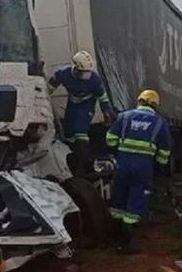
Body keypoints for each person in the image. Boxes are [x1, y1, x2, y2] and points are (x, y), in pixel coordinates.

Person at [105, 89, 172, 254]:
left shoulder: (123, 117)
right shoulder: (159, 123)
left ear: (139, 101)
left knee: (119, 198)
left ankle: (112, 236)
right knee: (136, 199)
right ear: (156, 105)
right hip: (143, 167)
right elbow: (165, 150)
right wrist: (159, 167)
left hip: (122, 164)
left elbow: (110, 139)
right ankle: (126, 242)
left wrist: (118, 151)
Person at [48, 50, 114, 174]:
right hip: (72, 104)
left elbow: (102, 96)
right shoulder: (64, 74)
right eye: (83, 72)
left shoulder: (94, 79)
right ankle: (71, 155)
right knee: (68, 131)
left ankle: (85, 160)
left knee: (80, 130)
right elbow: (50, 86)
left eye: (87, 72)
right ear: (75, 69)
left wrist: (106, 111)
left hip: (87, 105)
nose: (86, 75)